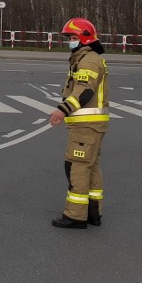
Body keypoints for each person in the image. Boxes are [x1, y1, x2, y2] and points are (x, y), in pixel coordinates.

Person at [48, 17, 109, 230]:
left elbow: (84, 90)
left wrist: (62, 110)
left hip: (86, 124)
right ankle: (93, 213)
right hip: (91, 124)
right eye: (69, 38)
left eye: (73, 37)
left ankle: (75, 215)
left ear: (85, 38)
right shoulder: (85, 58)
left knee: (77, 167)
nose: (70, 42)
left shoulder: (88, 60)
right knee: (90, 166)